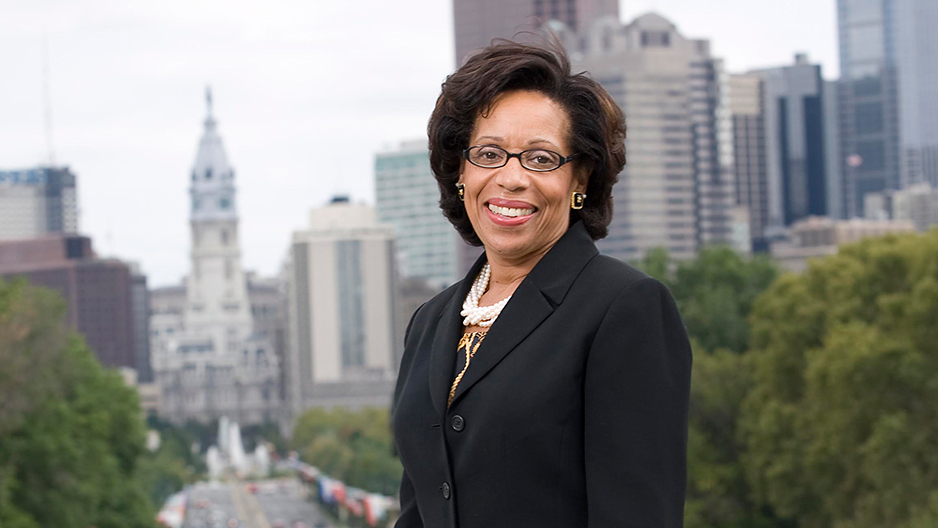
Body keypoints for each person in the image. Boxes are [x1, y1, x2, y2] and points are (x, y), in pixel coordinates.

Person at [391, 40, 692, 528]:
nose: (510, 178)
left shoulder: (625, 307)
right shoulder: (429, 322)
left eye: (540, 158)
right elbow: (419, 509)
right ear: (461, 171)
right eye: (489, 153)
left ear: (581, 180)